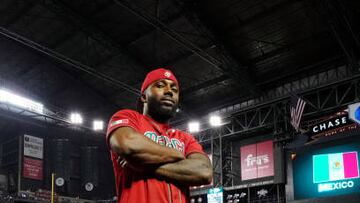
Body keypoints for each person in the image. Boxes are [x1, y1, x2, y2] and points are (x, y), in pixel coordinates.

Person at [106, 68, 213, 203]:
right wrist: (179, 155)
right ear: (144, 97)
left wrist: (141, 165)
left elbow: (204, 172)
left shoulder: (185, 138)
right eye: (160, 85)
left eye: (174, 89)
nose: (169, 91)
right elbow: (128, 145)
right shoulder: (129, 118)